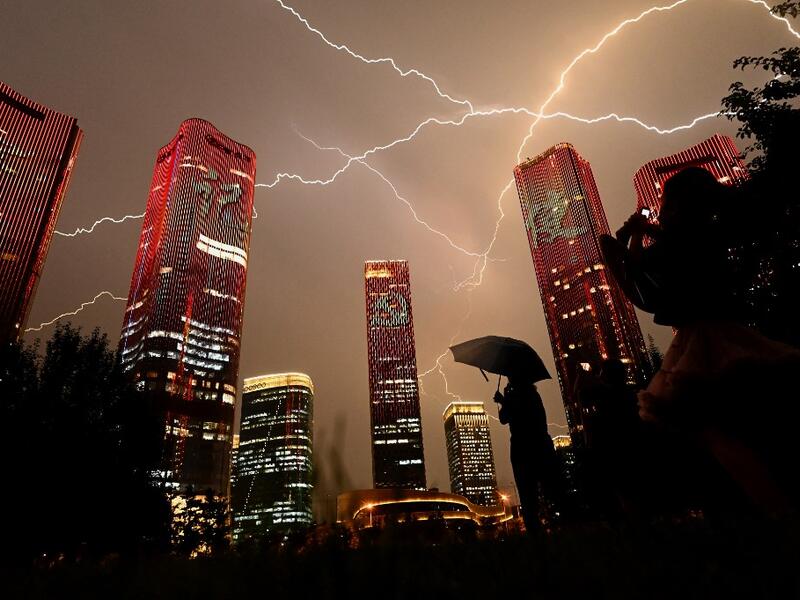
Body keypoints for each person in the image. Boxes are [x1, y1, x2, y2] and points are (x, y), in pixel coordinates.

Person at [601, 167, 800, 514]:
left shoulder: (682, 240)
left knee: (713, 425)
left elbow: (637, 265)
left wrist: (633, 235)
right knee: (733, 421)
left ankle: (763, 502)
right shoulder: (707, 233)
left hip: (706, 339)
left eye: (664, 203)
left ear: (678, 206)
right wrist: (647, 233)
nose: (660, 209)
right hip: (725, 330)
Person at [494, 373, 562, 531]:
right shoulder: (533, 394)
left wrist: (503, 400)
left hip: (522, 447)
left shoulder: (515, 396)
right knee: (550, 490)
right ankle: (557, 528)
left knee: (527, 494)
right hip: (542, 444)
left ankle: (536, 533)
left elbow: (505, 418)